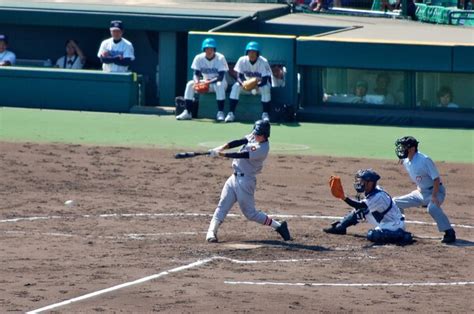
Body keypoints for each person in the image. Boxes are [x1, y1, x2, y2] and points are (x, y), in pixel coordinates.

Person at [205, 120, 291, 243]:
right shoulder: (254, 136)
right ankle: (211, 232)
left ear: (265, 135)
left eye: (259, 134)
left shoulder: (263, 148)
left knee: (250, 214)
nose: (255, 136)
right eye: (255, 133)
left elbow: (242, 155)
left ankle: (278, 226)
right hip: (233, 178)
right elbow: (239, 142)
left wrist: (220, 154)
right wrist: (220, 148)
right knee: (222, 205)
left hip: (245, 181)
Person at [393, 136, 456, 244]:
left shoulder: (424, 160)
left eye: (404, 147)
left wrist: (434, 196)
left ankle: (449, 232)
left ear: (412, 148)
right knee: (395, 202)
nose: (402, 149)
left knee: (432, 208)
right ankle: (398, 229)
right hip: (420, 192)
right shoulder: (406, 161)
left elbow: (436, 179)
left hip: (436, 191)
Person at [324, 169, 413, 244]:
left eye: (363, 181)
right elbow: (361, 207)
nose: (360, 183)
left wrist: (343, 197)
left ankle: (402, 235)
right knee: (361, 211)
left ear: (370, 183)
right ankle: (341, 227)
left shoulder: (379, 196)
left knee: (372, 235)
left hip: (393, 224)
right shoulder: (372, 191)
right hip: (383, 220)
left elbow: (360, 205)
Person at [176, 38, 229, 121]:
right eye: (207, 48)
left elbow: (221, 77)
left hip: (220, 83)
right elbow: (196, 74)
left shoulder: (220, 58)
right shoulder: (199, 58)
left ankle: (220, 112)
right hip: (206, 82)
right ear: (204, 49)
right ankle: (187, 112)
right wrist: (197, 82)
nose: (209, 51)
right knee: (190, 84)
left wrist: (207, 82)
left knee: (219, 85)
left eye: (211, 48)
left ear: (214, 49)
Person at [229, 41, 273, 123]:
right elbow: (238, 76)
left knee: (266, 88)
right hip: (246, 85)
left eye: (254, 52)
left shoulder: (263, 61)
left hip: (259, 86)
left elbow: (265, 80)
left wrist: (257, 86)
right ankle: (231, 113)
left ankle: (265, 114)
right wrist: (243, 84)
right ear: (247, 52)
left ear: (257, 53)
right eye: (250, 52)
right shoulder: (242, 60)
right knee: (235, 86)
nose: (252, 54)